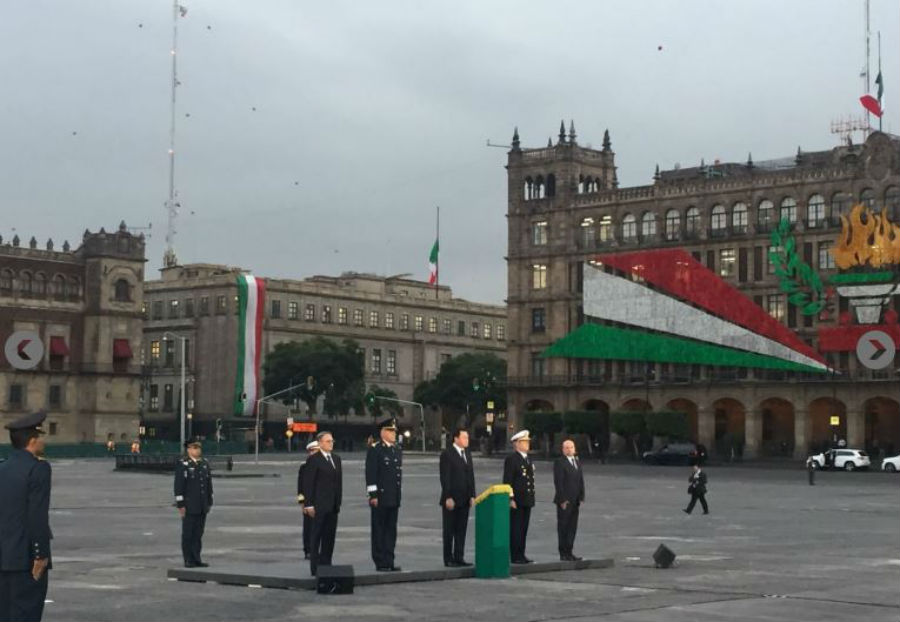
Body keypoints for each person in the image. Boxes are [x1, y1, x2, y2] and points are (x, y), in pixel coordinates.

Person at [0, 411, 52, 622]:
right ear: (33, 440)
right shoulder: (38, 469)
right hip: (26, 559)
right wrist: (40, 555)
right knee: (26, 614)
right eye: (41, 436)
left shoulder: (2, 467)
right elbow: (37, 515)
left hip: (3, 558)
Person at [365, 417, 403, 571]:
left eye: (394, 431)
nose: (394, 434)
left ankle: (389, 559)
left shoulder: (396, 450)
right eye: (390, 431)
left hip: (393, 497)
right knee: (379, 529)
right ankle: (380, 561)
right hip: (380, 497)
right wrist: (373, 495)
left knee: (391, 530)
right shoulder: (376, 450)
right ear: (383, 432)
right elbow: (371, 474)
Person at [303, 432, 342, 576]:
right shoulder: (314, 460)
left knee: (329, 537)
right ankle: (315, 568)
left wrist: (338, 502)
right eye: (327, 441)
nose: (331, 443)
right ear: (320, 443)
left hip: (333, 506)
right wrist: (309, 504)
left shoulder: (337, 459)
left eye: (332, 441)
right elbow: (308, 483)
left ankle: (327, 565)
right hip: (319, 506)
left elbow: (338, 483)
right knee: (316, 537)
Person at [439, 428, 476, 567]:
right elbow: (445, 477)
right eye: (464, 437)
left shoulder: (467, 453)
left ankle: (459, 557)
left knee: (461, 530)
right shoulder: (447, 454)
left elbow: (470, 476)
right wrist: (448, 496)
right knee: (449, 530)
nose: (467, 440)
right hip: (452, 499)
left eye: (467, 437)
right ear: (456, 438)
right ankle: (448, 558)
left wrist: (472, 495)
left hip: (465, 498)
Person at [174, 437, 213, 568]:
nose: (198, 450)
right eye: (195, 448)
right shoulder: (183, 464)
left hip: (202, 505)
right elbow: (179, 486)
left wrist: (209, 501)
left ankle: (197, 558)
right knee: (188, 534)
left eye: (199, 448)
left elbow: (208, 484)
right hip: (189, 505)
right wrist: (180, 504)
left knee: (198, 534)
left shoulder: (204, 463)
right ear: (189, 449)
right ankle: (188, 559)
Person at [503, 429, 535, 564]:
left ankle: (521, 553)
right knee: (516, 529)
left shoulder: (527, 459)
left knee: (524, 528)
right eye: (524, 442)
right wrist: (510, 498)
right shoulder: (512, 459)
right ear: (516, 444)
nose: (527, 444)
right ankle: (515, 555)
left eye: (528, 442)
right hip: (517, 500)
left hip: (527, 499)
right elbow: (508, 480)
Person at [553, 439, 585, 561]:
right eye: (566, 448)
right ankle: (563, 553)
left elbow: (580, 480)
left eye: (571, 447)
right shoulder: (560, 462)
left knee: (572, 526)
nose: (569, 449)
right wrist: (562, 499)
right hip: (565, 501)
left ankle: (570, 551)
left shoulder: (577, 461)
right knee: (563, 526)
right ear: (563, 449)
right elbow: (558, 482)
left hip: (575, 500)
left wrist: (581, 496)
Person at [297, 440, 320, 560]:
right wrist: (302, 503)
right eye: (314, 451)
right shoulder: (304, 467)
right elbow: (300, 488)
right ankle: (308, 550)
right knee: (308, 527)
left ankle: (317, 549)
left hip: (321, 501)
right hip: (309, 502)